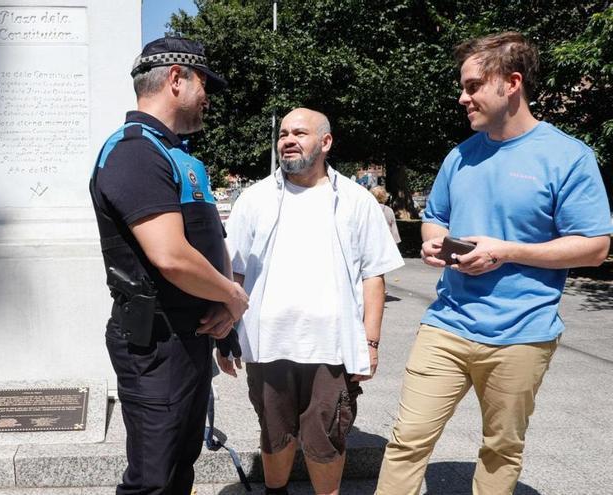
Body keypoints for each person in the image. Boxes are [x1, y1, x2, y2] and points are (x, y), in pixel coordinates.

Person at [376, 32, 612, 495]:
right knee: (407, 441)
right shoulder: (460, 156)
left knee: (501, 448)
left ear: (511, 84)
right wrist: (434, 242)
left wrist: (505, 250)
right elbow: (435, 218)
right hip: (447, 324)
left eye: (472, 86)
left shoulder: (568, 157)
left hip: (522, 334)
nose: (462, 98)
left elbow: (595, 246)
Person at [89, 36, 249, 495]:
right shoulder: (134, 151)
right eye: (204, 84)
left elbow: (207, 240)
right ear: (176, 79)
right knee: (152, 479)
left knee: (181, 466)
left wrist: (225, 322)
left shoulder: (178, 155)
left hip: (189, 337)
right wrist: (234, 297)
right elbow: (172, 257)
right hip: (154, 344)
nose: (208, 97)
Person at [220, 108, 404, 495]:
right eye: (284, 133)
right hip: (267, 341)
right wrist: (227, 332)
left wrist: (370, 343)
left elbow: (374, 275)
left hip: (332, 345)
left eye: (299, 133)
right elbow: (234, 273)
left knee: (326, 436)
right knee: (273, 431)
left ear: (325, 142)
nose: (287, 139)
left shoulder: (355, 200)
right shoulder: (255, 199)